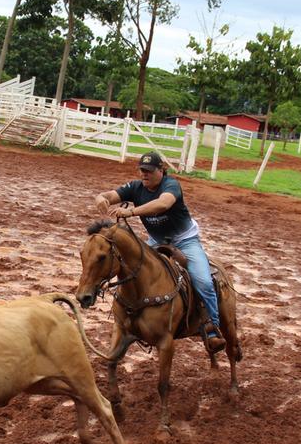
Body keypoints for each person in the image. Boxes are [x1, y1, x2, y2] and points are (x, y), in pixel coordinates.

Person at [94, 150, 226, 354]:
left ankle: (212, 329)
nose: (144, 175)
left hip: (185, 241)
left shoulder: (171, 185)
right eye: (141, 170)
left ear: (161, 170)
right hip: (157, 240)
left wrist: (130, 211)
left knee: (204, 281)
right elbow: (112, 195)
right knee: (134, 271)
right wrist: (100, 197)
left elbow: (162, 204)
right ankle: (134, 317)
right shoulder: (136, 187)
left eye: (148, 171)